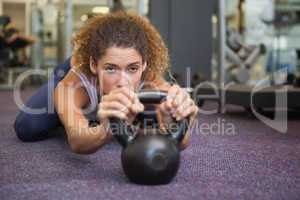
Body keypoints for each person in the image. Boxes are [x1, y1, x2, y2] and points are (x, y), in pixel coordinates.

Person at [14, 12, 198, 154]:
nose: (122, 82)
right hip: (69, 70)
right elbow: (78, 141)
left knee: (150, 115)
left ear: (144, 64)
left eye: (132, 69)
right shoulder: (76, 82)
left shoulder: (150, 79)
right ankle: (72, 111)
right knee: (28, 126)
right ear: (95, 64)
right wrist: (107, 128)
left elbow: (182, 142)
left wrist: (174, 120)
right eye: (111, 69)